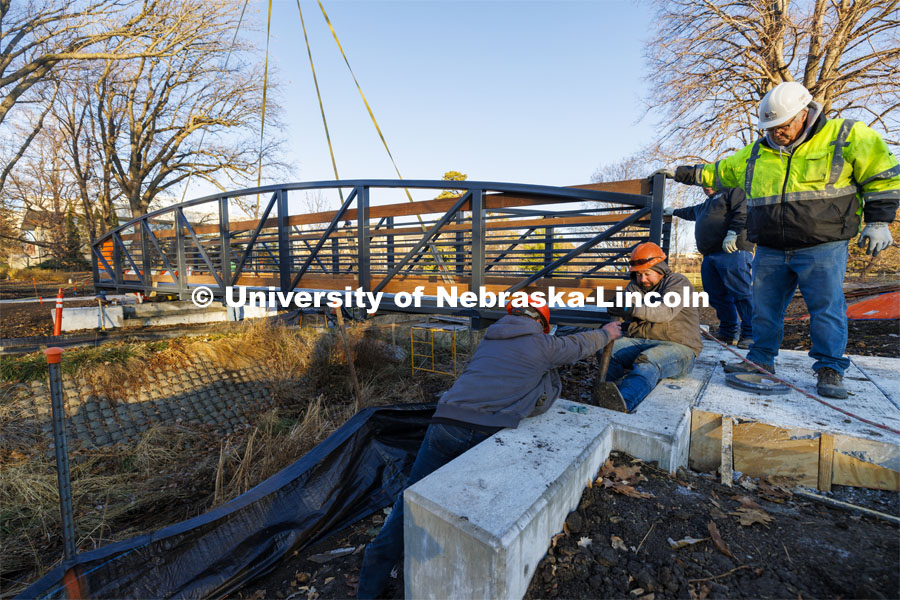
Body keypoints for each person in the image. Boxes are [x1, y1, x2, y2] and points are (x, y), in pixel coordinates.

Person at [356, 297, 622, 599]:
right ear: (541, 323)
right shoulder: (542, 345)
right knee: (474, 514)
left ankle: (369, 586)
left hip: (443, 424)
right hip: (482, 432)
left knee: (410, 504)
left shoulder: (490, 338)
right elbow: (578, 345)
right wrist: (607, 333)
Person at [657, 81, 899, 399]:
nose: (776, 133)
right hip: (771, 247)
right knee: (764, 309)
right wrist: (679, 172)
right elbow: (719, 171)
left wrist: (879, 220)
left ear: (803, 114)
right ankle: (761, 361)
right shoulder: (757, 152)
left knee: (825, 308)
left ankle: (829, 369)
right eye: (769, 128)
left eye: (782, 126)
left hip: (822, 245)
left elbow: (882, 174)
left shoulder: (846, 136)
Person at [595, 242, 702, 413]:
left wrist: (631, 308)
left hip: (681, 348)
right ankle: (606, 393)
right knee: (608, 348)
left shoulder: (677, 282)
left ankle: (622, 403)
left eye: (647, 273)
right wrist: (617, 309)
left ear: (660, 270)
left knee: (648, 360)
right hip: (643, 340)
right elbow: (625, 309)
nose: (642, 279)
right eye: (638, 274)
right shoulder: (635, 286)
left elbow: (664, 312)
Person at [666, 186, 754, 348]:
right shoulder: (705, 205)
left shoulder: (733, 192)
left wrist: (733, 233)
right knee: (716, 294)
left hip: (732, 249)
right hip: (710, 253)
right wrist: (674, 211)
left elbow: (741, 212)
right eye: (702, 184)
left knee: (740, 292)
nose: (706, 186)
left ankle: (750, 334)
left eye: (709, 181)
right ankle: (728, 332)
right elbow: (690, 211)